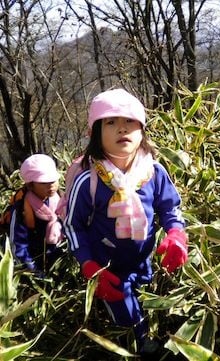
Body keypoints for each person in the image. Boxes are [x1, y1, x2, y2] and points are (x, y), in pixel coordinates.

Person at [64, 88, 188, 357]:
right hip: (107, 266)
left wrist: (176, 234)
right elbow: (73, 226)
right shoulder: (90, 180)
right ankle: (139, 347)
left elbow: (170, 207)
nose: (122, 129)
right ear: (96, 134)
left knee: (148, 300)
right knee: (128, 319)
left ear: (142, 129)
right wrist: (88, 265)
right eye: (111, 122)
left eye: (129, 121)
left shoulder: (153, 172)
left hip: (145, 258)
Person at [9, 154, 64, 274]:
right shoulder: (21, 209)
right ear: (30, 185)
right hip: (34, 264)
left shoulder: (60, 199)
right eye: (44, 182)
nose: (51, 185)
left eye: (53, 180)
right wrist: (33, 272)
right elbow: (18, 245)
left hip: (57, 261)